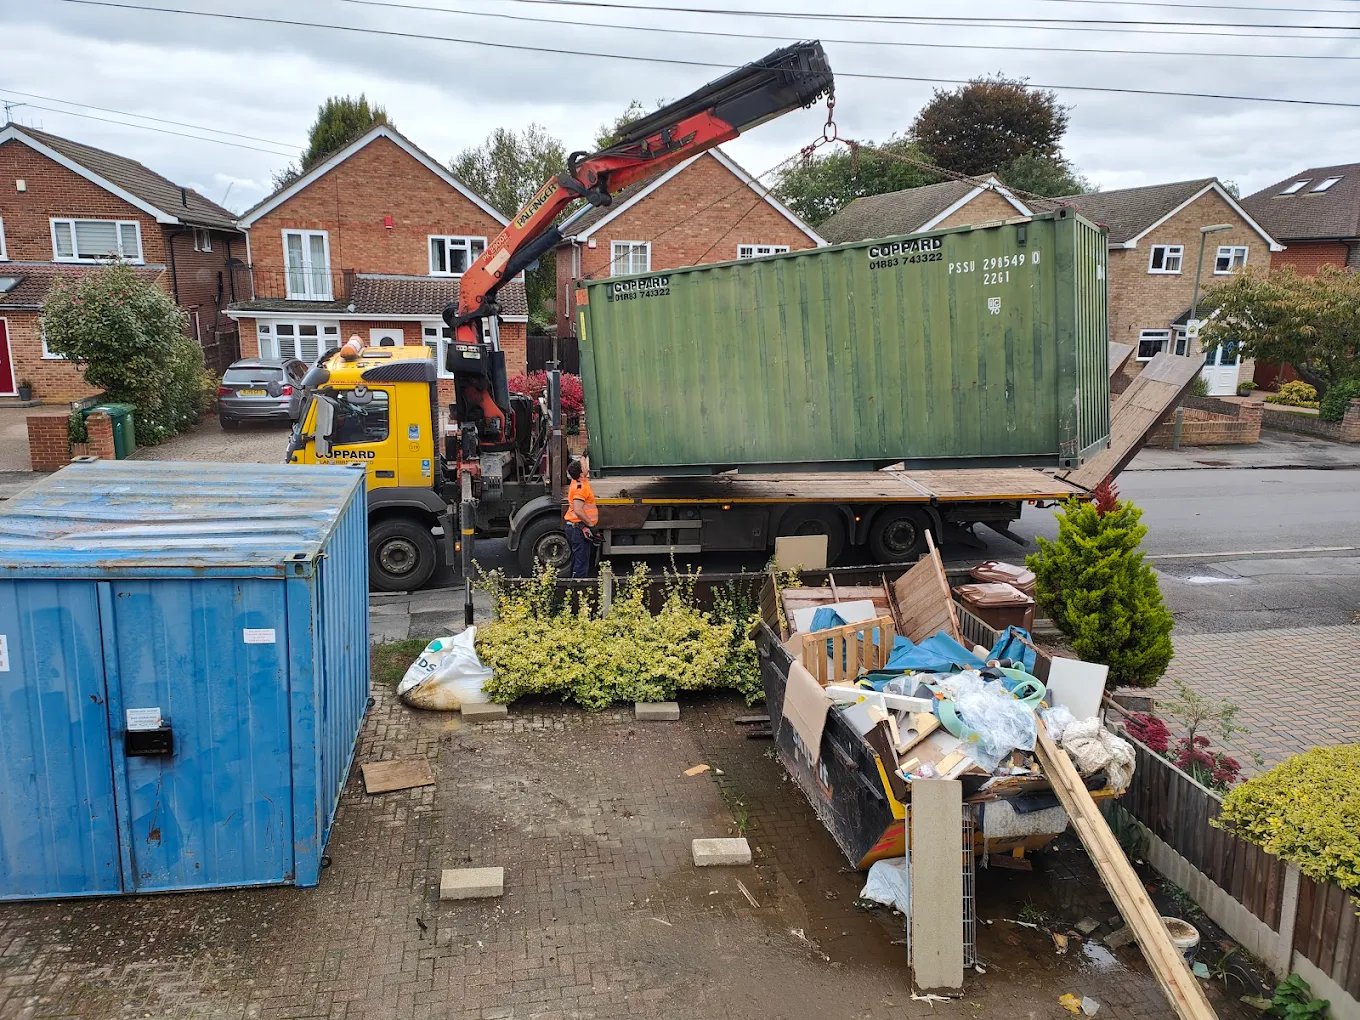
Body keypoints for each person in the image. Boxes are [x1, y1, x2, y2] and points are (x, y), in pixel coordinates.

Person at [563, 459, 599, 578]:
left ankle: (573, 586)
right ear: (581, 473)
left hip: (574, 528)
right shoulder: (580, 488)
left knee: (577, 559)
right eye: (584, 465)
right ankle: (578, 590)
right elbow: (578, 510)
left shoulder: (577, 480)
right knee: (581, 562)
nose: (586, 464)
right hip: (578, 529)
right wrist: (591, 525)